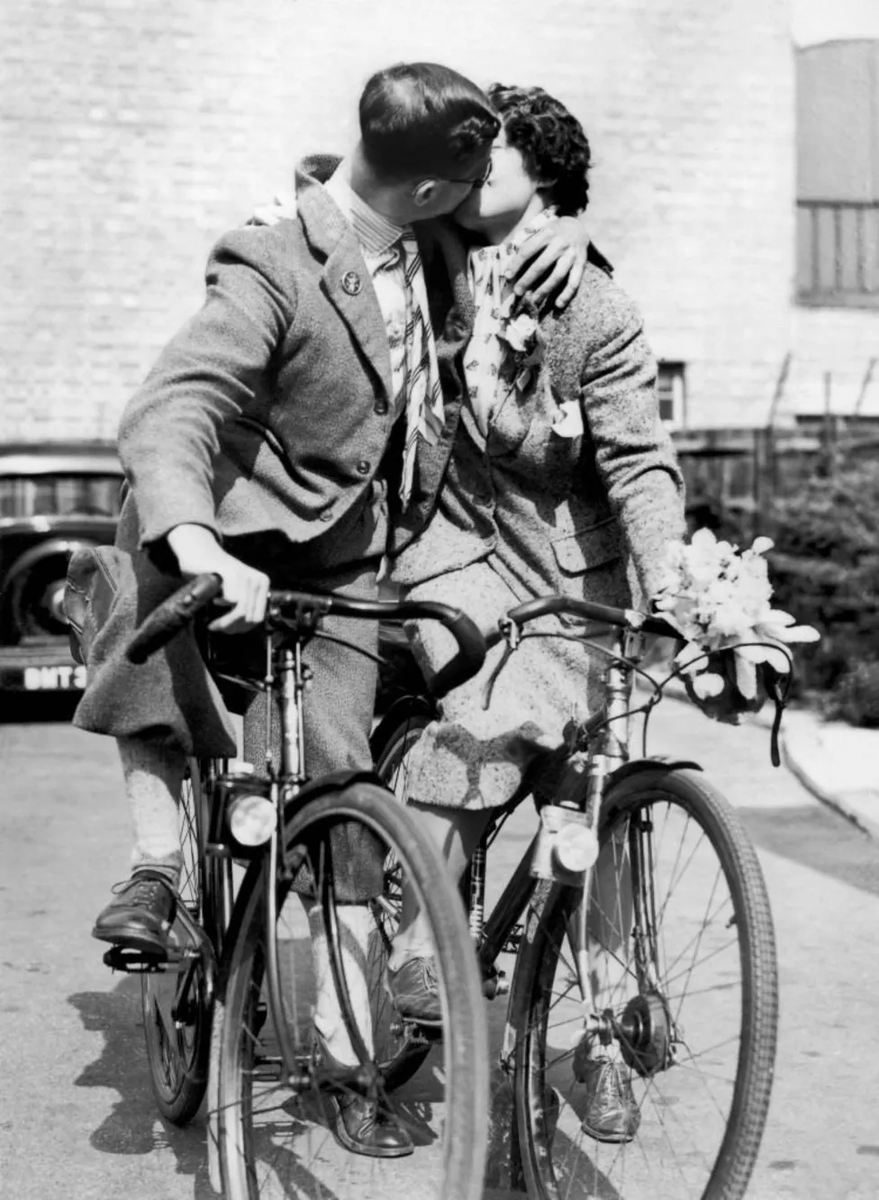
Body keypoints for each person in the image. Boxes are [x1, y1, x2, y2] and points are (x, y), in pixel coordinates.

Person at [64, 63, 589, 1158]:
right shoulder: (267, 256)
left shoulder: (433, 242)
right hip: (213, 533)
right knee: (164, 669)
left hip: (342, 562)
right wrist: (200, 538)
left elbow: (527, 245)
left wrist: (572, 241)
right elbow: (173, 407)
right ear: (435, 189)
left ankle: (351, 1061)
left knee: (341, 796)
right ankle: (159, 868)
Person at [384, 84, 687, 1144]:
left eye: (492, 160)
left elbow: (641, 463)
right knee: (477, 723)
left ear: (545, 180)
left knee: (592, 804)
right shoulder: (427, 247)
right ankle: (422, 938)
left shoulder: (597, 307)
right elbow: (324, 196)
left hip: (569, 571)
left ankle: (600, 1032)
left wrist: (680, 584)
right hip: (458, 553)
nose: (469, 176)